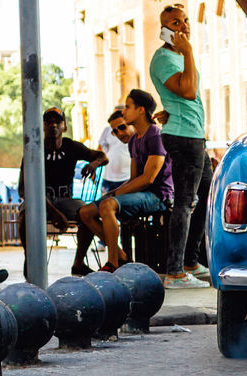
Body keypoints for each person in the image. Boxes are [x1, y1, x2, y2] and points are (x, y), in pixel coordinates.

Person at [77, 90, 177, 278]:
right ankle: (122, 255)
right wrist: (115, 192)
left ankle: (113, 263)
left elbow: (149, 178)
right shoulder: (134, 141)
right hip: (142, 193)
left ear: (141, 110)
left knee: (108, 205)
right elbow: (133, 178)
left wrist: (115, 195)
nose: (124, 112)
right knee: (85, 212)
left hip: (158, 195)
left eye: (128, 107)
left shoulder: (155, 135)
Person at [149, 4, 211, 286]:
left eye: (185, 21)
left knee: (207, 196)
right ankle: (174, 271)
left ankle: (190, 261)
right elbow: (188, 91)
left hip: (194, 135)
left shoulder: (180, 57)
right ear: (164, 30)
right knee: (185, 203)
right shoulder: (164, 58)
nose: (184, 26)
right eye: (175, 23)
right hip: (183, 137)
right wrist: (188, 52)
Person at [17, 107, 107, 276]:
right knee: (24, 216)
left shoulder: (71, 146)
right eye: (48, 122)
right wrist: (53, 211)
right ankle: (29, 259)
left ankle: (78, 264)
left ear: (64, 126)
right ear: (42, 126)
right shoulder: (34, 149)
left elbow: (103, 156)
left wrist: (93, 164)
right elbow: (23, 189)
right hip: (39, 200)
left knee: (89, 214)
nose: (53, 125)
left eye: (58, 121)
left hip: (66, 199)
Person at [96, 108, 132, 196]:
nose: (119, 133)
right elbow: (99, 150)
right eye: (115, 131)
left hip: (126, 178)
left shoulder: (134, 137)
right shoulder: (107, 130)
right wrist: (95, 166)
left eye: (122, 127)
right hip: (107, 177)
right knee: (104, 204)